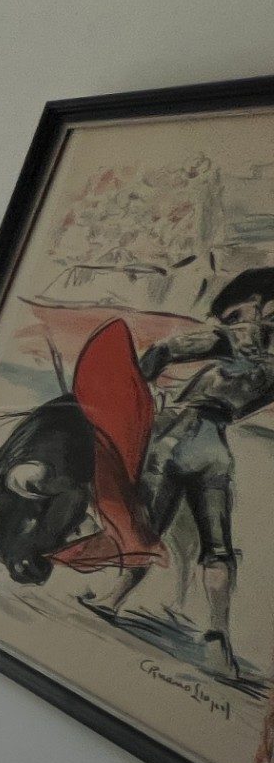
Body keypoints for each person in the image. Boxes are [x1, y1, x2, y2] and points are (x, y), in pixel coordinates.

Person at [81, 267, 274, 677]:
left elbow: (167, 349)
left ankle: (112, 600)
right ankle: (218, 639)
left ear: (259, 305)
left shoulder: (236, 338)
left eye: (235, 313)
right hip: (216, 449)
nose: (230, 321)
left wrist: (139, 387)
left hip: (178, 436)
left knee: (149, 526)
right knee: (217, 545)